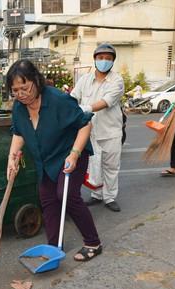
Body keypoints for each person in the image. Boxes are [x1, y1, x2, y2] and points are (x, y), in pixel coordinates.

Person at [6, 59, 103, 262]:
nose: (20, 94)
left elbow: (85, 125)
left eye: (24, 87)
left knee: (67, 195)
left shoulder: (58, 99)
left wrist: (74, 154)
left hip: (70, 154)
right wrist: (12, 157)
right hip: (45, 160)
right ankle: (54, 247)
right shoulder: (19, 107)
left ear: (36, 80)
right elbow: (19, 132)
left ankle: (93, 243)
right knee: (48, 199)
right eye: (15, 90)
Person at [71, 43, 125, 212]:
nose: (104, 61)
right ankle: (97, 194)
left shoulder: (117, 80)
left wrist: (86, 108)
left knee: (111, 166)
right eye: (100, 58)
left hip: (111, 132)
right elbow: (73, 97)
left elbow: (107, 101)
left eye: (108, 59)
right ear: (95, 59)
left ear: (112, 62)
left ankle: (109, 197)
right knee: (94, 165)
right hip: (89, 132)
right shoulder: (84, 79)